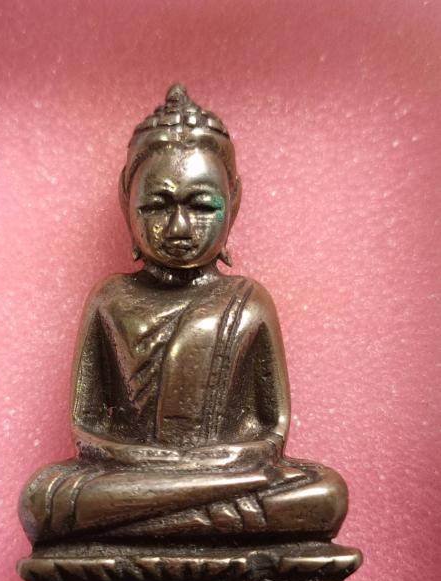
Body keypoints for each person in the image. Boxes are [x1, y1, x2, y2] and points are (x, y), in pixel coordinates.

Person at [19, 84, 347, 544]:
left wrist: (217, 463)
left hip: (224, 475)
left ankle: (145, 526)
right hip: (135, 474)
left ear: (234, 202)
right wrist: (150, 462)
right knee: (42, 500)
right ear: (126, 203)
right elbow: (86, 427)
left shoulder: (249, 300)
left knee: (324, 493)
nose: (178, 228)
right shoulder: (111, 298)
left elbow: (273, 432)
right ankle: (188, 522)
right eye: (156, 206)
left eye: (202, 206)